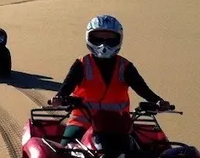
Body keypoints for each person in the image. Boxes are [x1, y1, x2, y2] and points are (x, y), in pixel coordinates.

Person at [47, 15, 171, 145]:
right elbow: (67, 86)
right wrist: (59, 98)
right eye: (98, 38)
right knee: (67, 149)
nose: (103, 44)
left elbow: (142, 89)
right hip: (83, 122)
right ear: (89, 38)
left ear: (119, 40)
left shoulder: (125, 67)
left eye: (110, 39)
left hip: (118, 125)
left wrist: (158, 101)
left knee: (141, 153)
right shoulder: (82, 64)